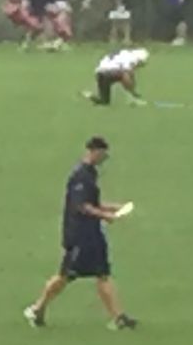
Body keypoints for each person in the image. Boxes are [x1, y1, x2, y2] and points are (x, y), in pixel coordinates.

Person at [24, 136, 138, 330]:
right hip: (80, 236)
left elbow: (93, 203)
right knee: (65, 276)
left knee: (103, 274)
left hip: (93, 234)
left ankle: (118, 317)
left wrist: (113, 207)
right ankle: (37, 309)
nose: (104, 159)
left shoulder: (91, 173)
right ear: (94, 151)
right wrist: (105, 215)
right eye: (102, 154)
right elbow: (82, 206)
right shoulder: (80, 175)